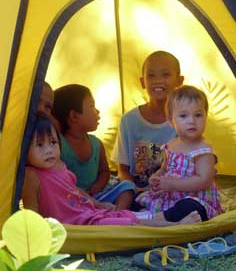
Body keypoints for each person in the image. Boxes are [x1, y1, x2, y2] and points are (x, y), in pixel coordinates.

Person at [21, 113, 203, 226]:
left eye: (53, 142)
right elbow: (31, 216)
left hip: (87, 214)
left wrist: (98, 204)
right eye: (39, 145)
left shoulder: (58, 166)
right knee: (127, 226)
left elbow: (75, 191)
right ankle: (177, 226)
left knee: (127, 217)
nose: (49, 150)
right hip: (74, 224)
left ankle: (166, 218)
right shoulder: (31, 176)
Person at [136, 85, 224, 220]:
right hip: (170, 197)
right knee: (140, 197)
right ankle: (156, 216)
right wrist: (156, 177)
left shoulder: (203, 150)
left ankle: (155, 219)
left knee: (190, 207)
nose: (192, 121)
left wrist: (172, 185)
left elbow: (203, 181)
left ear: (206, 116)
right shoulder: (171, 145)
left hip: (195, 199)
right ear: (171, 121)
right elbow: (164, 169)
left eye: (198, 115)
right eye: (183, 116)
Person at [52, 84, 135, 210]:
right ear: (74, 116)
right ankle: (100, 215)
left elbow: (104, 171)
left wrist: (98, 185)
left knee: (127, 187)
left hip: (98, 195)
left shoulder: (96, 144)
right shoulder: (58, 145)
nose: (97, 111)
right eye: (91, 106)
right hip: (72, 198)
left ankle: (117, 214)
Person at [111, 51, 184, 191]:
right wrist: (135, 190)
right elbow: (123, 170)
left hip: (174, 190)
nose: (158, 80)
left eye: (166, 74)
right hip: (138, 191)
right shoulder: (129, 121)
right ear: (143, 82)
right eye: (151, 75)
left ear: (179, 81)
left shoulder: (185, 119)